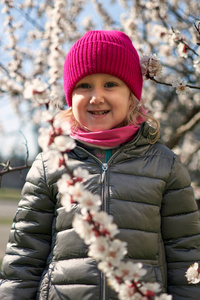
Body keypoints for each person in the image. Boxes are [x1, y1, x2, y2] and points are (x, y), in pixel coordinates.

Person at [0, 30, 200, 300]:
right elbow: (23, 256)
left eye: (110, 84)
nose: (96, 97)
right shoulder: (50, 165)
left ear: (131, 95)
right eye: (84, 86)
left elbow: (186, 254)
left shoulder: (164, 166)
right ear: (71, 97)